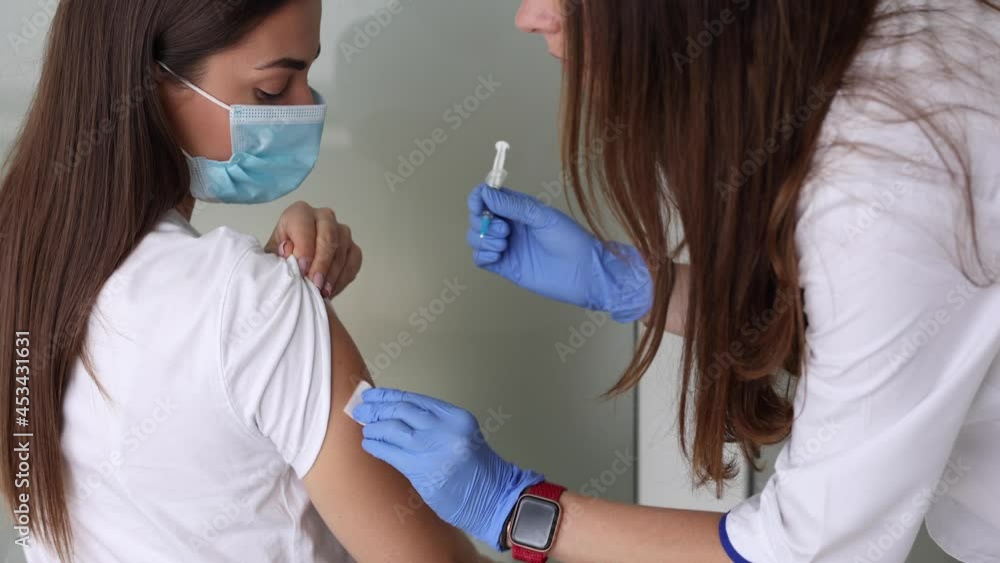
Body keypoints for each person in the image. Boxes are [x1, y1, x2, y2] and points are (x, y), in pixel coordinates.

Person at [354, 0, 1000, 562]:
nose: (529, 16)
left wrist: (512, 508)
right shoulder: (869, 63)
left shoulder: (890, 176)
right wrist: (632, 284)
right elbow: (864, 320)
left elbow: (803, 550)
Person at [0, 1, 485, 562]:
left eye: (308, 73)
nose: (306, 110)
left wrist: (258, 289)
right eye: (273, 89)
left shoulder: (21, 262)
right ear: (151, 81)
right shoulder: (252, 303)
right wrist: (514, 507)